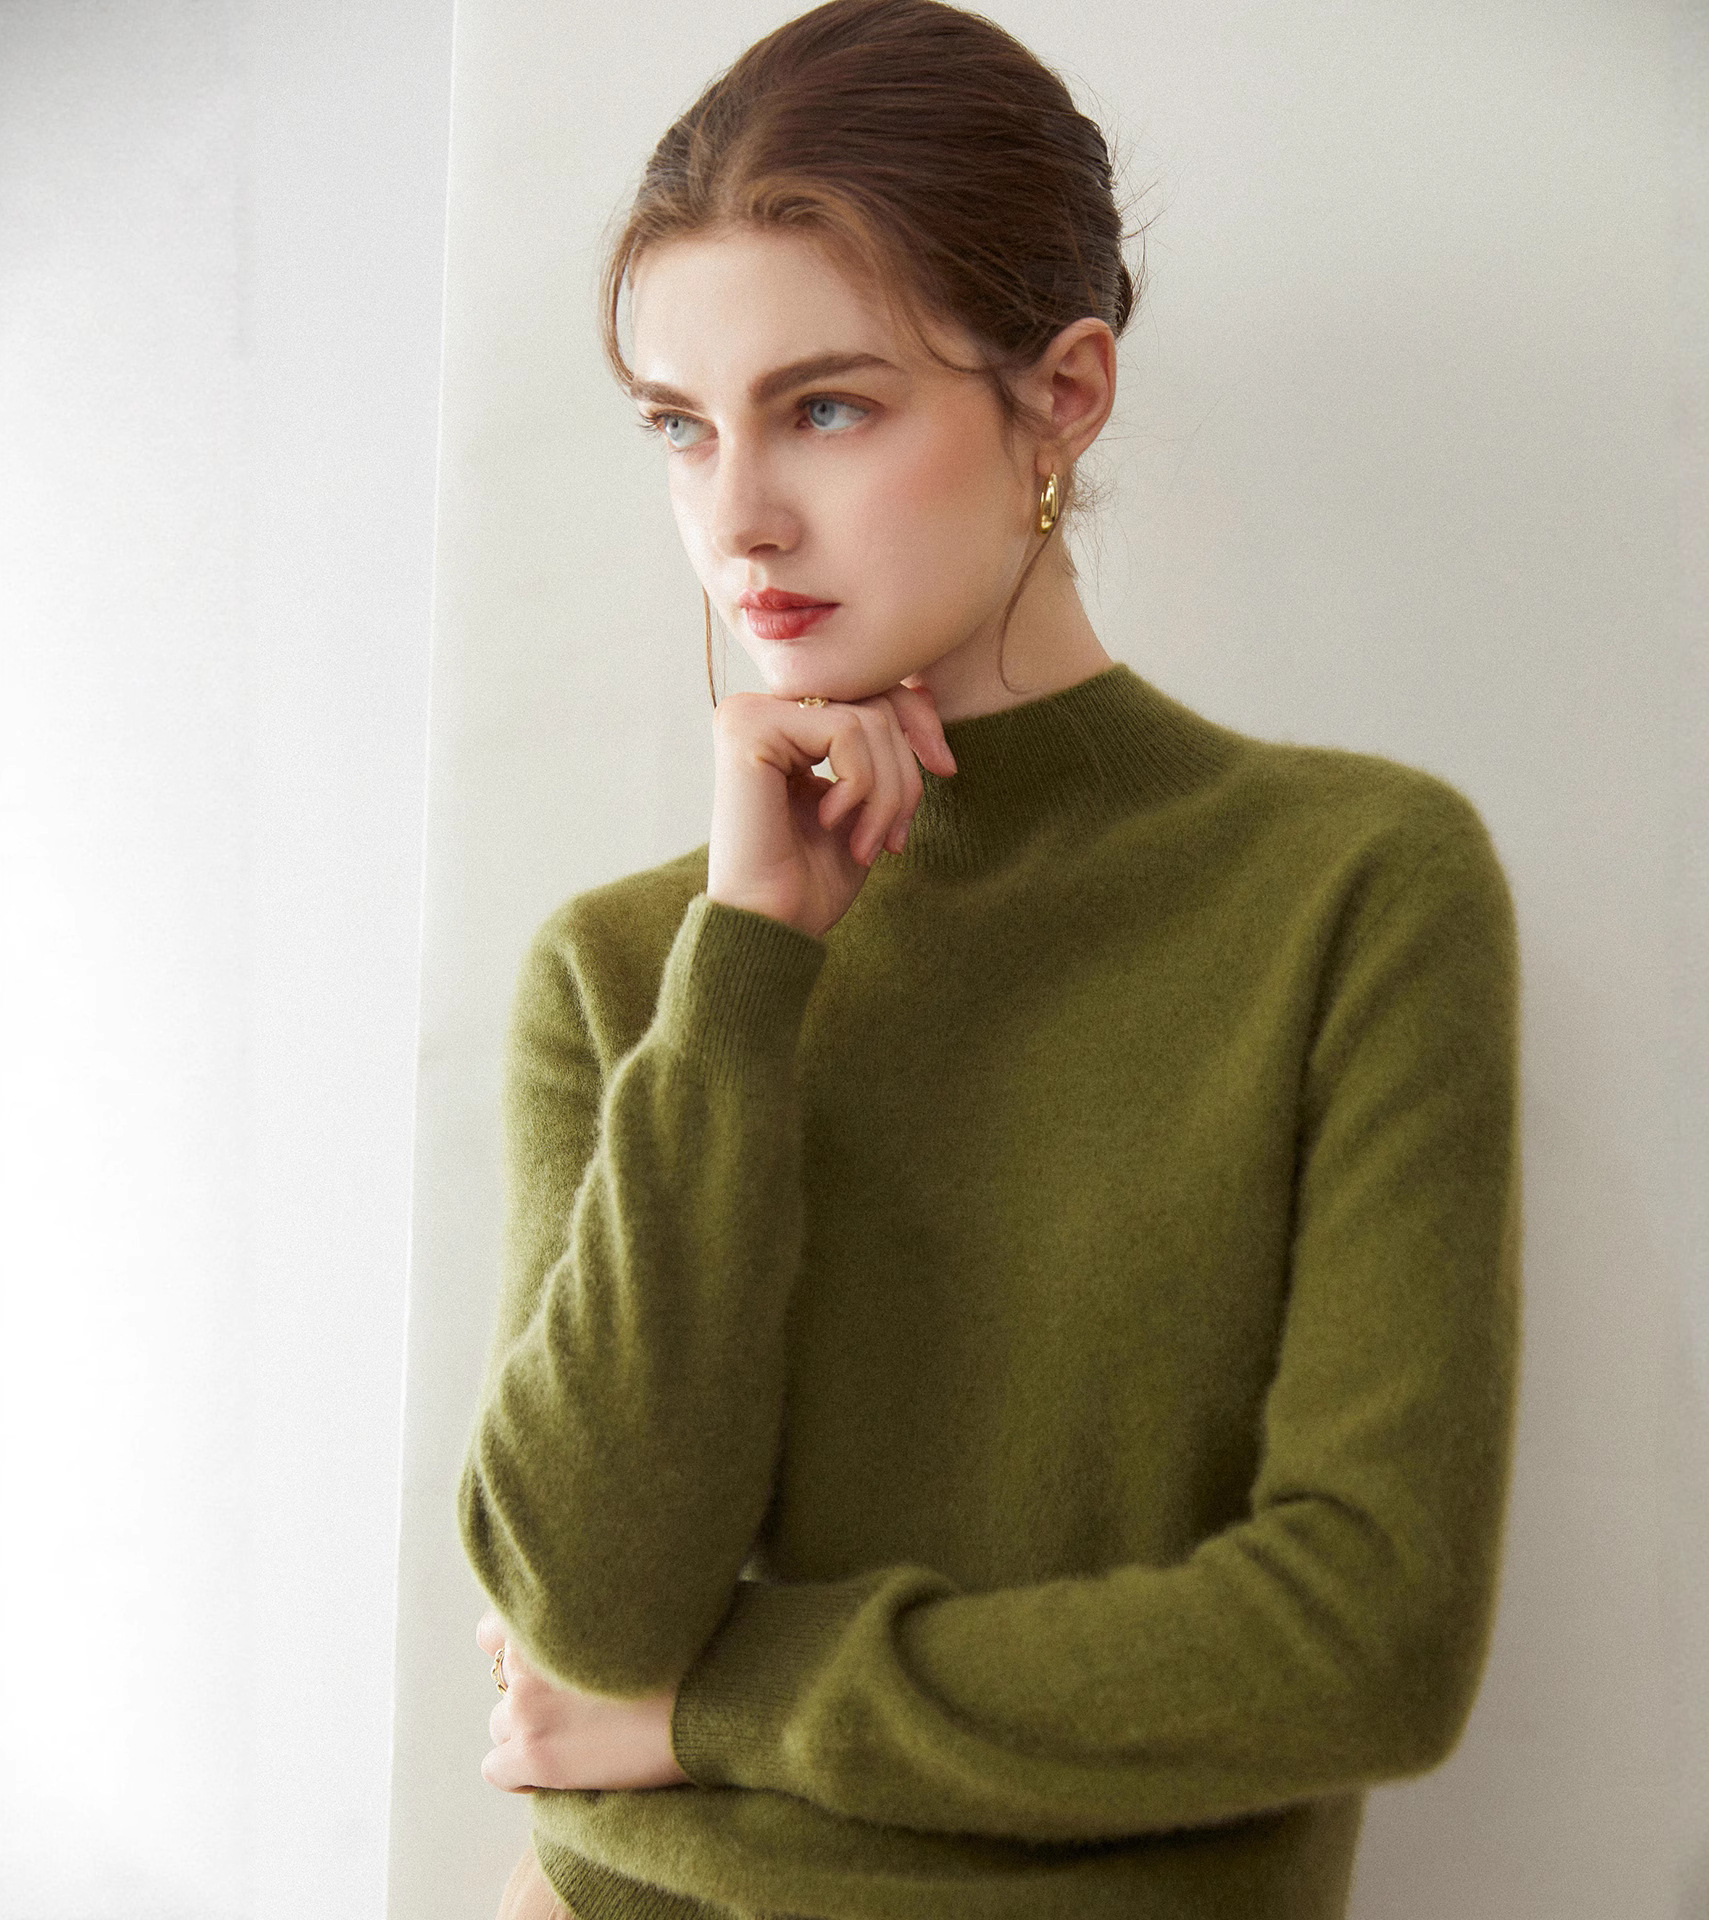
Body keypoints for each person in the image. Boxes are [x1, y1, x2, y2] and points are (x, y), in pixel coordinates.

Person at [458, 0, 1524, 1915]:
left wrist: (716, 1712)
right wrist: (751, 962)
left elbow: (1363, 1639)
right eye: (682, 427)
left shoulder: (1352, 886)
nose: (736, 519)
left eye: (827, 407)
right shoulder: (635, 971)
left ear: (1065, 394)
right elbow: (586, 1619)